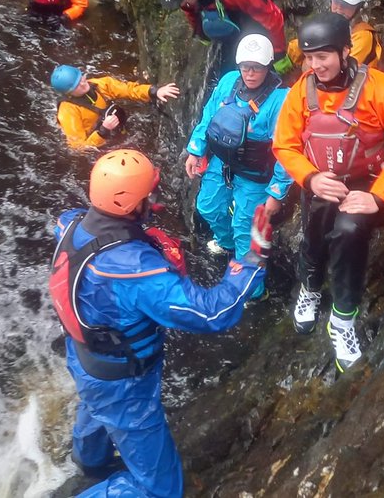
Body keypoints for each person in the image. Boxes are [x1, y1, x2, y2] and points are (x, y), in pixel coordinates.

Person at [49, 149, 272, 497]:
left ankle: (89, 461)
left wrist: (145, 234)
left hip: (84, 356)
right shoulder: (137, 269)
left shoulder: (70, 222)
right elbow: (210, 313)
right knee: (161, 490)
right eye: (148, 195)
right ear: (128, 203)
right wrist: (252, 258)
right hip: (124, 385)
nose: (154, 198)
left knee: (94, 406)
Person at [273, 13, 384, 371]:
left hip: (370, 184)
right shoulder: (302, 90)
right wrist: (310, 178)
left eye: (323, 56)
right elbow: (285, 145)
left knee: (348, 231)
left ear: (346, 51)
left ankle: (342, 319)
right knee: (315, 229)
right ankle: (310, 287)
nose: (315, 65)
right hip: (321, 180)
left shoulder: (381, 88)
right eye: (310, 58)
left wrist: (378, 195)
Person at [183, 34, 293, 273]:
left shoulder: (281, 99)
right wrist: (195, 150)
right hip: (222, 163)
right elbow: (209, 114)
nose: (250, 73)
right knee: (207, 207)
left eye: (257, 68)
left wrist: (277, 192)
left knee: (246, 229)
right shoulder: (229, 81)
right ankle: (226, 243)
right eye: (245, 67)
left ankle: (251, 288)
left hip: (255, 176)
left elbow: (287, 150)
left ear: (268, 66)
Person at [161, 0, 293, 74]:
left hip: (250, 19)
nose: (182, 4)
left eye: (183, 0)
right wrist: (201, 33)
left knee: (260, 71)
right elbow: (190, 11)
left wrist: (279, 54)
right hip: (229, 21)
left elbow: (271, 16)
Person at [51, 65, 180, 150]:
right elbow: (78, 148)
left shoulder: (100, 85)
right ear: (68, 93)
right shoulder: (68, 112)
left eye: (82, 78)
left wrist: (154, 92)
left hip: (112, 126)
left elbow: (128, 90)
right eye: (77, 86)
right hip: (98, 141)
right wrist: (103, 131)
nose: (84, 84)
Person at [287, 0, 384, 69]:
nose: (339, 8)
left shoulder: (363, 35)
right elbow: (294, 49)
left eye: (346, 4)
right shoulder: (326, 25)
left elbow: (341, 68)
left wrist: (309, 59)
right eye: (336, 2)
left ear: (358, 7)